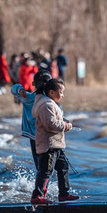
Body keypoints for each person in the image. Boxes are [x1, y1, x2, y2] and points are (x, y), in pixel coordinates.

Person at [31, 77, 78, 205]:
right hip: (48, 146)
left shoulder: (51, 104)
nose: (62, 95)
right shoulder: (46, 105)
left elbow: (55, 120)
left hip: (56, 145)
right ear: (51, 92)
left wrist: (64, 122)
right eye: (60, 92)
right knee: (45, 171)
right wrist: (65, 125)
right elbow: (50, 124)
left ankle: (64, 194)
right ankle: (37, 196)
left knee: (63, 167)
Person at [12, 71, 51, 170]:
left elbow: (13, 88)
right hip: (46, 136)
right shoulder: (52, 99)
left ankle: (41, 184)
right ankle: (46, 184)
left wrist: (20, 90)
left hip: (35, 136)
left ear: (33, 84)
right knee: (48, 166)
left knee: (40, 165)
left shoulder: (29, 98)